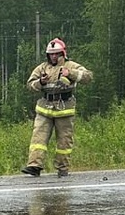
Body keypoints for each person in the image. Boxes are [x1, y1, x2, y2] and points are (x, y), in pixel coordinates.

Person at [21, 38, 92, 178]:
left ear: (62, 53)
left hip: (64, 109)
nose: (53, 56)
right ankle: (34, 166)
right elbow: (30, 85)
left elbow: (88, 77)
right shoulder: (42, 68)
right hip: (44, 109)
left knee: (64, 141)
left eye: (56, 54)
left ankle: (62, 168)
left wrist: (70, 73)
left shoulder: (70, 65)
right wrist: (41, 82)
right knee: (38, 139)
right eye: (51, 54)